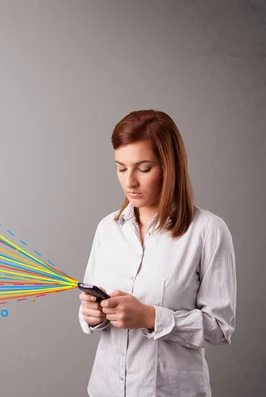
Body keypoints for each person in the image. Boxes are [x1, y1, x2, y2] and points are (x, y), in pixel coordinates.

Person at [78, 109, 237, 397]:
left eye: (144, 168)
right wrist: (91, 314)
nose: (130, 182)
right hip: (105, 389)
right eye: (121, 168)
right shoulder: (107, 229)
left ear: (169, 165)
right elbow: (94, 307)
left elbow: (220, 328)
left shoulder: (208, 231)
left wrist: (151, 317)